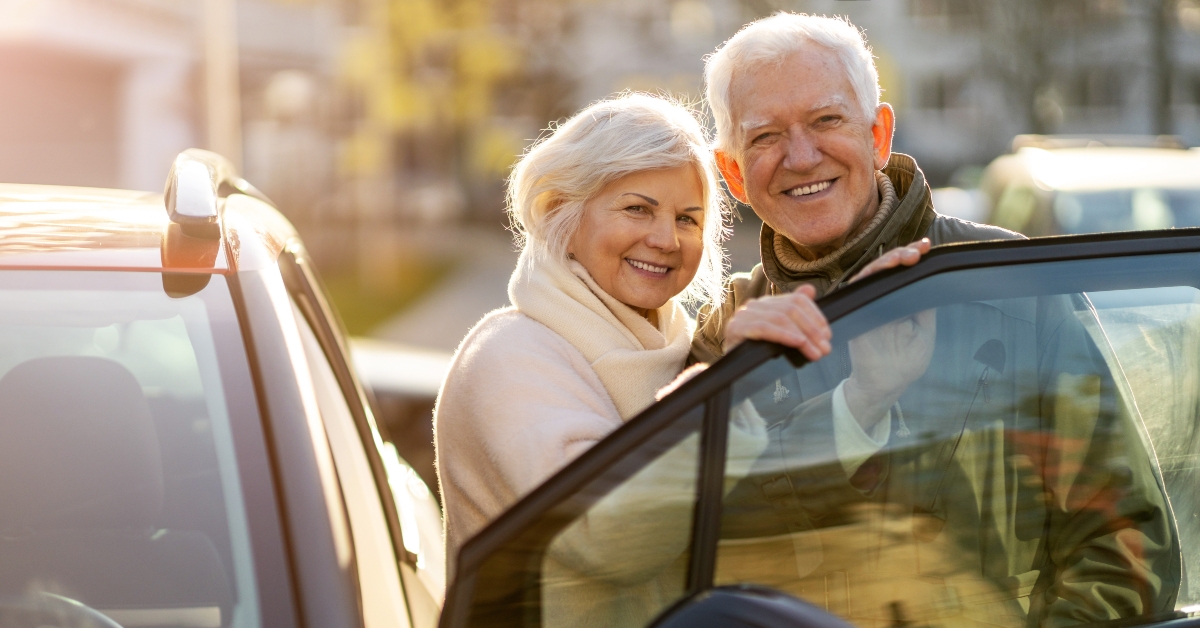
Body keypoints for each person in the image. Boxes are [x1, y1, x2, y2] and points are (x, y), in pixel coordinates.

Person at [691, 12, 1180, 627]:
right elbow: (692, 554)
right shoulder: (729, 333)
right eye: (765, 136)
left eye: (827, 120)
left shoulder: (1009, 285)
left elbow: (1125, 548)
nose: (801, 155)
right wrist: (855, 404)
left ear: (878, 135)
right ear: (734, 173)